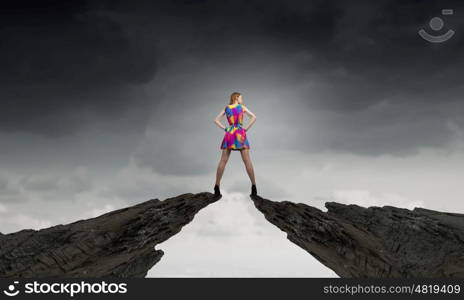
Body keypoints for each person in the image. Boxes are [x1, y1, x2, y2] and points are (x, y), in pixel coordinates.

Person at [213, 92, 257, 196]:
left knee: (223, 161)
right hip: (240, 133)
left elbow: (216, 120)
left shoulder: (226, 108)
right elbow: (254, 117)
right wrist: (246, 128)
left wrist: (225, 128)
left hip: (230, 133)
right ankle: (254, 185)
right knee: (247, 161)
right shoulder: (242, 107)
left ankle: (216, 186)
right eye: (241, 97)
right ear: (236, 97)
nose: (242, 99)